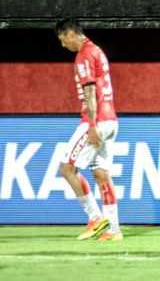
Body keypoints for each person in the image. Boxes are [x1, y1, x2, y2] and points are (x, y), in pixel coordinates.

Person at [55, 18, 122, 242]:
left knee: (67, 168)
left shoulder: (84, 55)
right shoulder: (97, 51)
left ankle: (95, 217)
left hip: (96, 121)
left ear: (72, 33)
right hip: (111, 120)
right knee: (101, 173)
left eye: (63, 40)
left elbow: (91, 92)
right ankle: (114, 230)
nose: (64, 45)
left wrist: (92, 126)